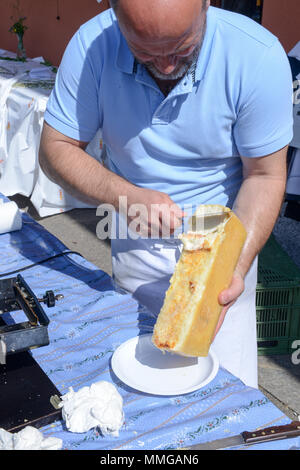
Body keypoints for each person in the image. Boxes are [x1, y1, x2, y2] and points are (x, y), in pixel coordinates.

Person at [39, 0, 293, 388]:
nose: (168, 66)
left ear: (207, 4)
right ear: (116, 17)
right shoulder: (92, 45)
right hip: (134, 252)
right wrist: (124, 195)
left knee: (223, 396)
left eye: (183, 48)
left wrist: (232, 268)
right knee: (134, 387)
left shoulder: (256, 55)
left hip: (221, 259)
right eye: (145, 52)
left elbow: (264, 176)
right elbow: (55, 147)